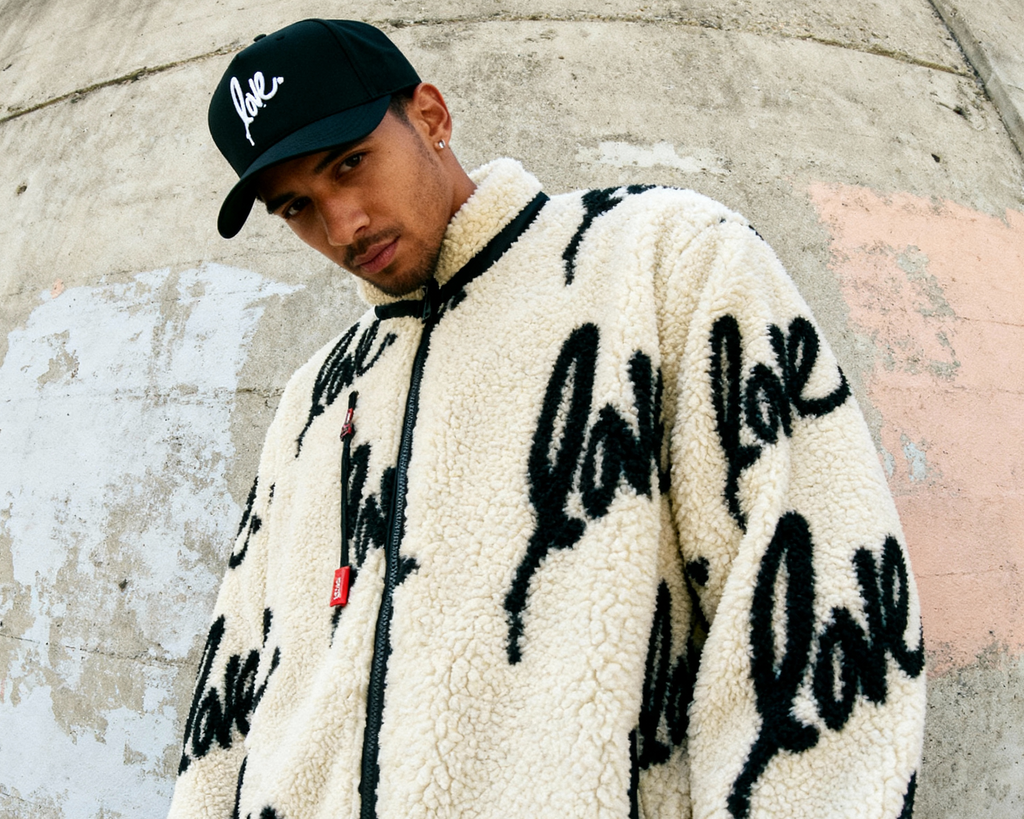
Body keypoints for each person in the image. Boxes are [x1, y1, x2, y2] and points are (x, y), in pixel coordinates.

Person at [169, 18, 926, 819]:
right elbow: (233, 686)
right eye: (297, 206)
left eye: (350, 163)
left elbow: (821, 618)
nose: (342, 226)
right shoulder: (313, 398)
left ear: (430, 116)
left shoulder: (664, 260)